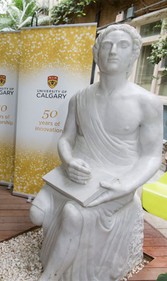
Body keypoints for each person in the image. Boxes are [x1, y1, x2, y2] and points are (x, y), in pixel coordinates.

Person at [30, 24, 163, 281]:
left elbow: (151, 156)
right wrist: (68, 162)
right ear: (95, 52)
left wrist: (124, 184)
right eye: (107, 45)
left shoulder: (146, 103)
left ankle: (51, 275)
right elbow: (66, 139)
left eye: (122, 45)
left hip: (115, 182)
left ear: (134, 54)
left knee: (73, 214)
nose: (113, 51)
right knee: (37, 213)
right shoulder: (80, 98)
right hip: (76, 177)